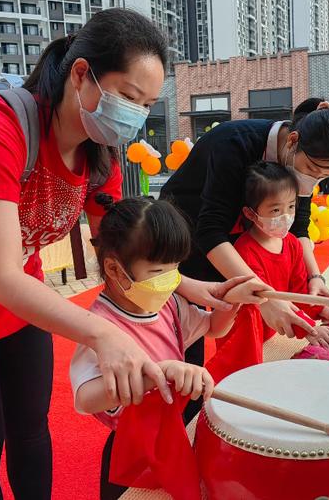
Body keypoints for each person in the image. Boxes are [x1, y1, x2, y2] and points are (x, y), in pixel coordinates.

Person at [0, 8, 261, 500]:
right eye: (127, 96)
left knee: (30, 429)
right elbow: (0, 276)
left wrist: (198, 288)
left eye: (146, 104)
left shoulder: (98, 153)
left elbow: (122, 256)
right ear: (82, 74)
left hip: (21, 296)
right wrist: (103, 332)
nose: (136, 114)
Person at [160, 97, 329, 419]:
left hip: (230, 253)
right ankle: (179, 434)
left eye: (324, 177)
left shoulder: (299, 159)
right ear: (292, 142)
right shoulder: (233, 143)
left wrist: (315, 279)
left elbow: (300, 225)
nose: (312, 181)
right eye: (311, 170)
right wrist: (264, 295)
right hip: (184, 243)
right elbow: (210, 231)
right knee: (186, 357)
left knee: (223, 326)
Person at [69, 194, 241, 498]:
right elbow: (85, 399)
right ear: (113, 269)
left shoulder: (167, 303)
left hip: (170, 435)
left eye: (174, 268)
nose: (169, 280)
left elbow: (213, 328)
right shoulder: (98, 326)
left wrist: (232, 300)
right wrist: (157, 373)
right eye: (157, 272)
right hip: (130, 450)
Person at [220, 162, 329, 353]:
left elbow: (298, 289)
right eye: (276, 210)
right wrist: (309, 328)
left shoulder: (291, 243)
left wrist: (325, 311)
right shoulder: (244, 252)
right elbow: (264, 301)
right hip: (243, 342)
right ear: (250, 213)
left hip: (271, 333)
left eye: (291, 207)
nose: (286, 216)